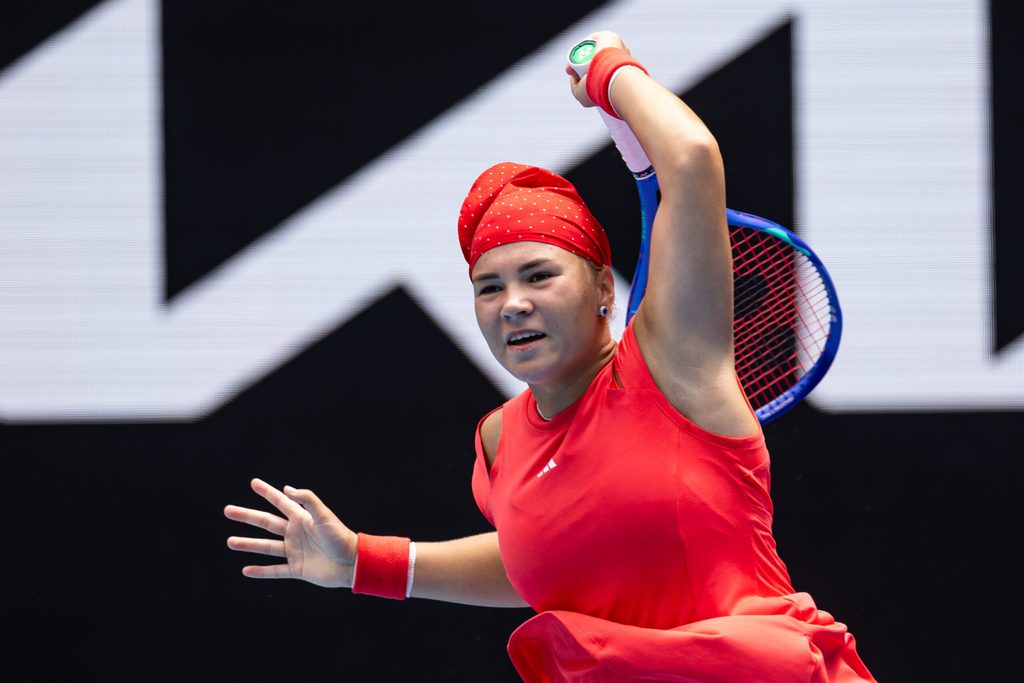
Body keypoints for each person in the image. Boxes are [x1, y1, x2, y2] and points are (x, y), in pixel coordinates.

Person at [224, 31, 876, 682]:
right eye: (490, 286)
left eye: (539, 276)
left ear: (601, 287)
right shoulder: (500, 440)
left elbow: (693, 158)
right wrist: (365, 564)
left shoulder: (673, 361)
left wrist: (608, 71)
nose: (512, 303)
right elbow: (543, 557)